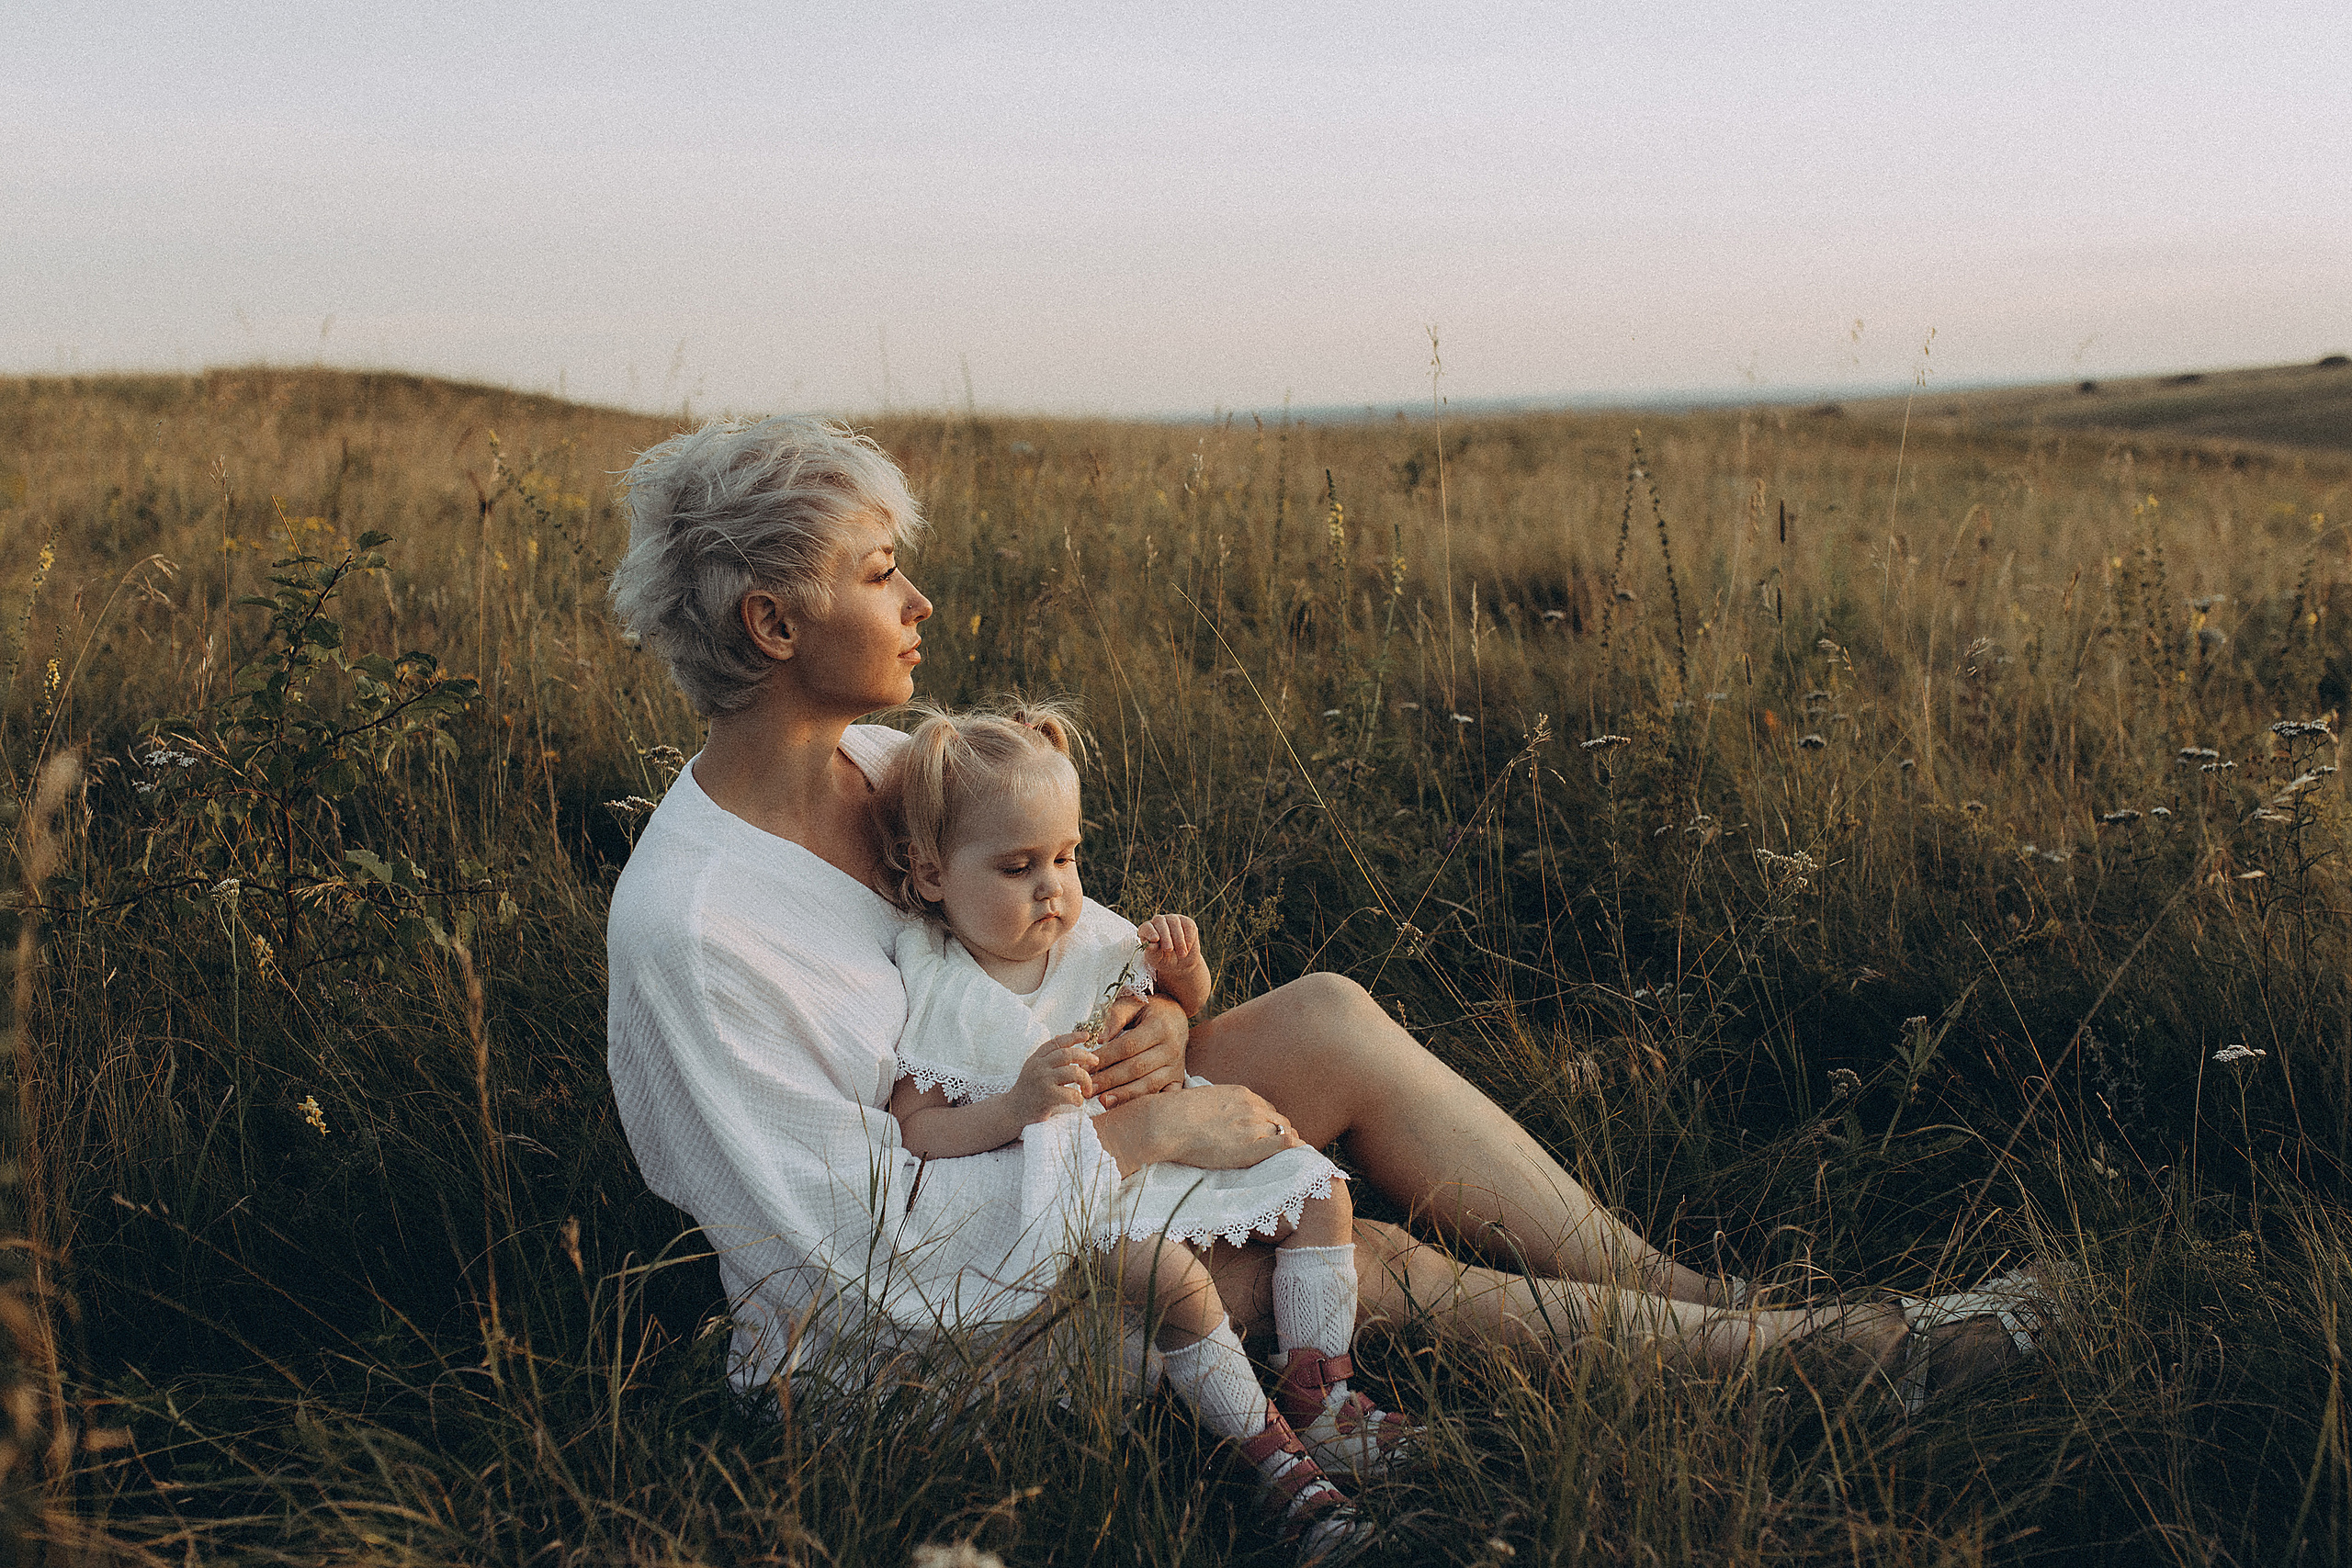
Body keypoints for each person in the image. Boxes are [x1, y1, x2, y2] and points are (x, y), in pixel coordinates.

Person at [601, 414, 2051, 1451]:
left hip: (1059, 1149)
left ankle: (1695, 1295)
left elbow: (1068, 940)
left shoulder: (882, 766)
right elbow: (858, 1255)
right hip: (927, 1346)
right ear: (773, 624)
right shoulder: (696, 930)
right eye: (877, 571)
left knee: (1328, 1015)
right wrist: (1153, 1131)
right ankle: (1837, 1368)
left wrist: (1157, 1022)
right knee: (1377, 1264)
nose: (919, 600)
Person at [870, 698, 1410, 1551]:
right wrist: (1012, 1107)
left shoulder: (1089, 937)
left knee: (1322, 1192)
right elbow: (919, 1131)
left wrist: (1183, 971)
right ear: (932, 874)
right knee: (1171, 1280)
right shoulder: (939, 984)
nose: (1053, 887)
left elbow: (1183, 1005)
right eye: (1017, 866)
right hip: (1085, 1190)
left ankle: (1323, 1394)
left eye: (1066, 855)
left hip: (1172, 1147)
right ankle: (1273, 1461)